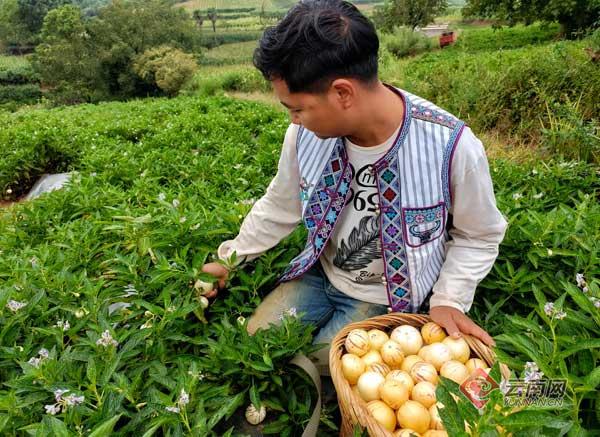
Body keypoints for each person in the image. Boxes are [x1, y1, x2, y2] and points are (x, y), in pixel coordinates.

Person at [201, 0, 508, 373]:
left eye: (297, 108)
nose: (294, 120)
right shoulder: (304, 137)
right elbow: (280, 205)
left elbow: (479, 234)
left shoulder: (450, 146)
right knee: (252, 346)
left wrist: (448, 300)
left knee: (321, 371)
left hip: (386, 298)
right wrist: (228, 259)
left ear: (343, 93)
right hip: (322, 275)